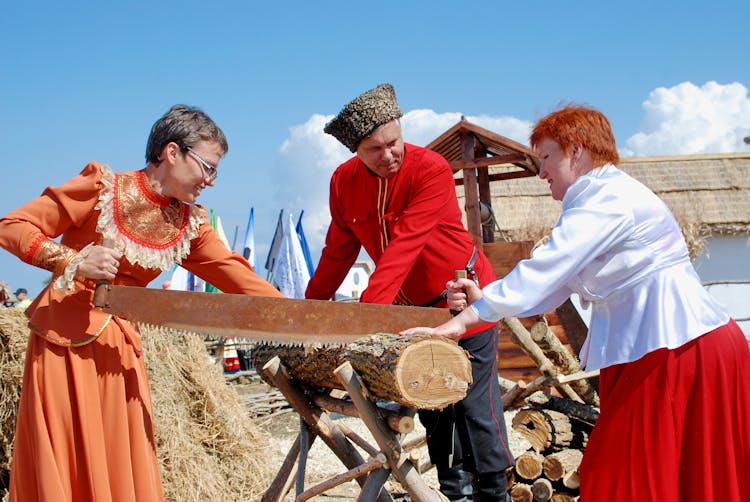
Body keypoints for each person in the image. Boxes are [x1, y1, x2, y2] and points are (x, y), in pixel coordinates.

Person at [402, 104, 750, 501]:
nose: (542, 171)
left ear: (576, 151)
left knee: (630, 475)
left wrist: (464, 321)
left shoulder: (607, 197)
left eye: (547, 157)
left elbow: (550, 266)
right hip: (665, 349)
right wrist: (485, 302)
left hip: (681, 349)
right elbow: (557, 282)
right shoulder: (596, 201)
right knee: (646, 475)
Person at [0, 104, 283, 502]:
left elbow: (241, 278)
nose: (211, 180)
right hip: (64, 345)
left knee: (121, 460)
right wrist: (73, 260)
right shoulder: (101, 187)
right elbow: (12, 227)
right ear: (172, 152)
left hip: (120, 349)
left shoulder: (191, 223)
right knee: (67, 461)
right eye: (208, 166)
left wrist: (311, 317)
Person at [305, 83, 514, 501]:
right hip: (410, 312)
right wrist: (308, 315)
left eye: (394, 142)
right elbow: (336, 253)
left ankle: (495, 493)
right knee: (434, 406)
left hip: (462, 299)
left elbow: (404, 245)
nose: (389, 155)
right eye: (375, 149)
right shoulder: (343, 183)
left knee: (475, 405)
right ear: (356, 152)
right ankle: (455, 493)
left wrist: (367, 322)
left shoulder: (430, 167)